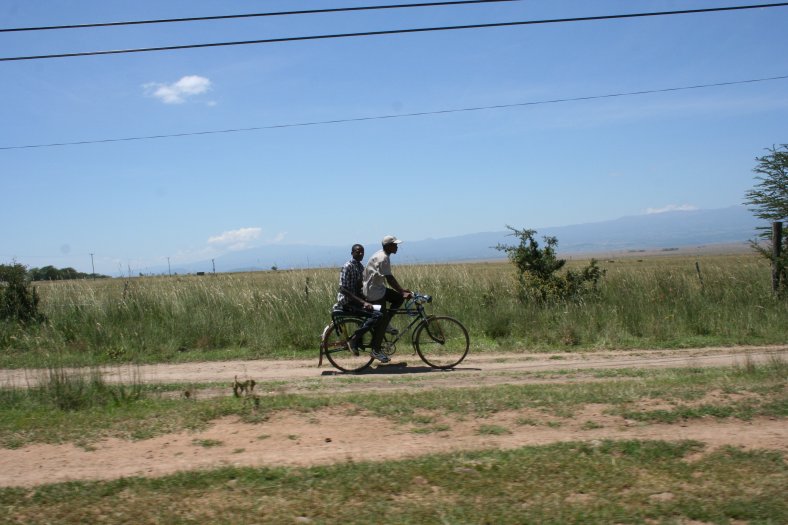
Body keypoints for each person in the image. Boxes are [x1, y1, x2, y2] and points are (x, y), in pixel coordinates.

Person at [363, 235, 412, 361]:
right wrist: (401, 291)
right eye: (394, 245)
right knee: (382, 320)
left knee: (398, 299)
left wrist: (401, 292)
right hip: (374, 292)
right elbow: (389, 278)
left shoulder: (382, 254)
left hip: (377, 289)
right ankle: (376, 350)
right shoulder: (383, 258)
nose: (396, 247)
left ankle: (387, 322)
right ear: (388, 246)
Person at [333, 244, 382, 358]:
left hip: (356, 301)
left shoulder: (360, 267)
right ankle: (355, 339)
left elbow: (360, 287)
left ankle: (362, 339)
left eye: (362, 252)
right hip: (347, 302)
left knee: (378, 309)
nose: (360, 254)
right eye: (358, 252)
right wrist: (363, 302)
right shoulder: (348, 266)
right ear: (352, 253)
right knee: (377, 315)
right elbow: (343, 289)